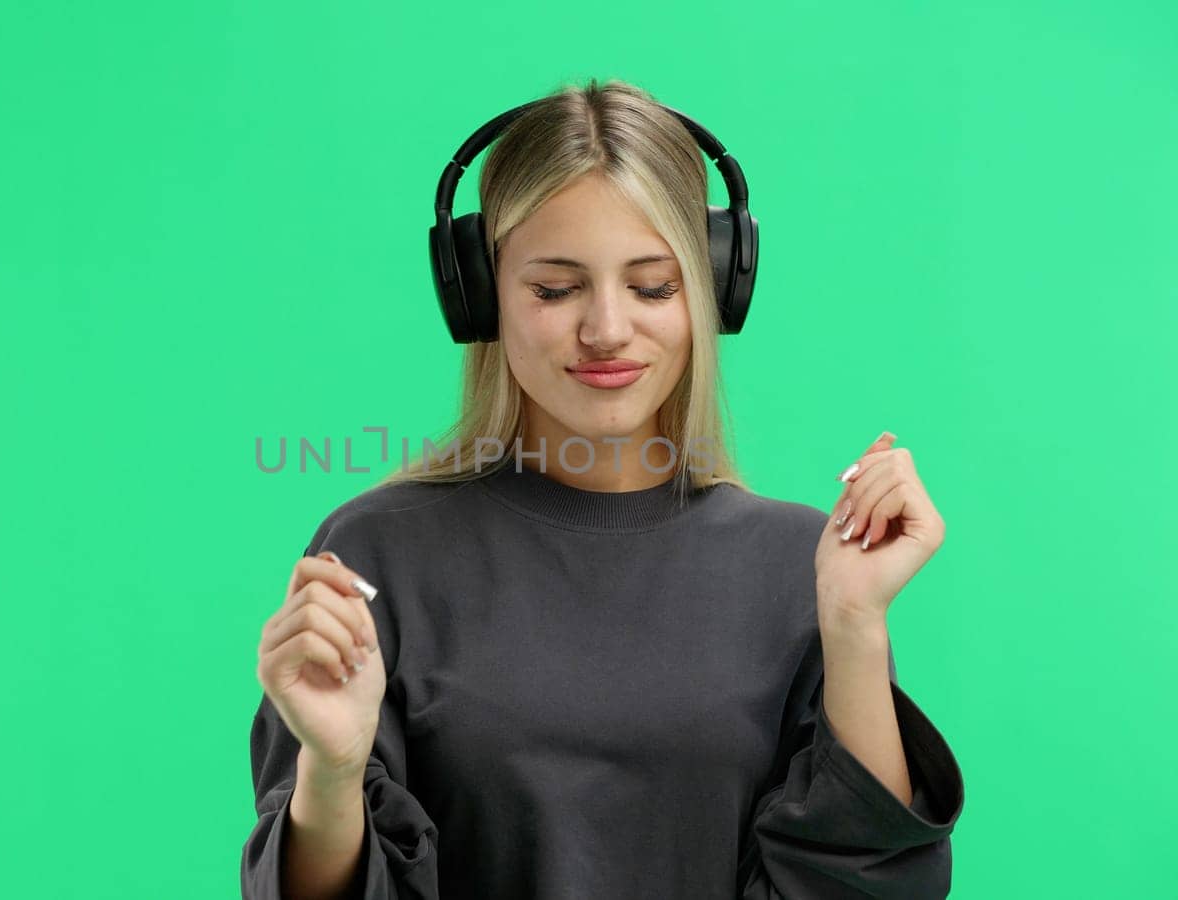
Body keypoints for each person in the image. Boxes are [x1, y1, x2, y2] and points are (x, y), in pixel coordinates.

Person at [242, 78, 965, 899]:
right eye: (555, 289)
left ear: (713, 289)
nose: (608, 330)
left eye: (653, 286)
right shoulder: (377, 555)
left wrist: (855, 627)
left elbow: (865, 888)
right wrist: (332, 775)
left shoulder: (802, 564)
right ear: (478, 295)